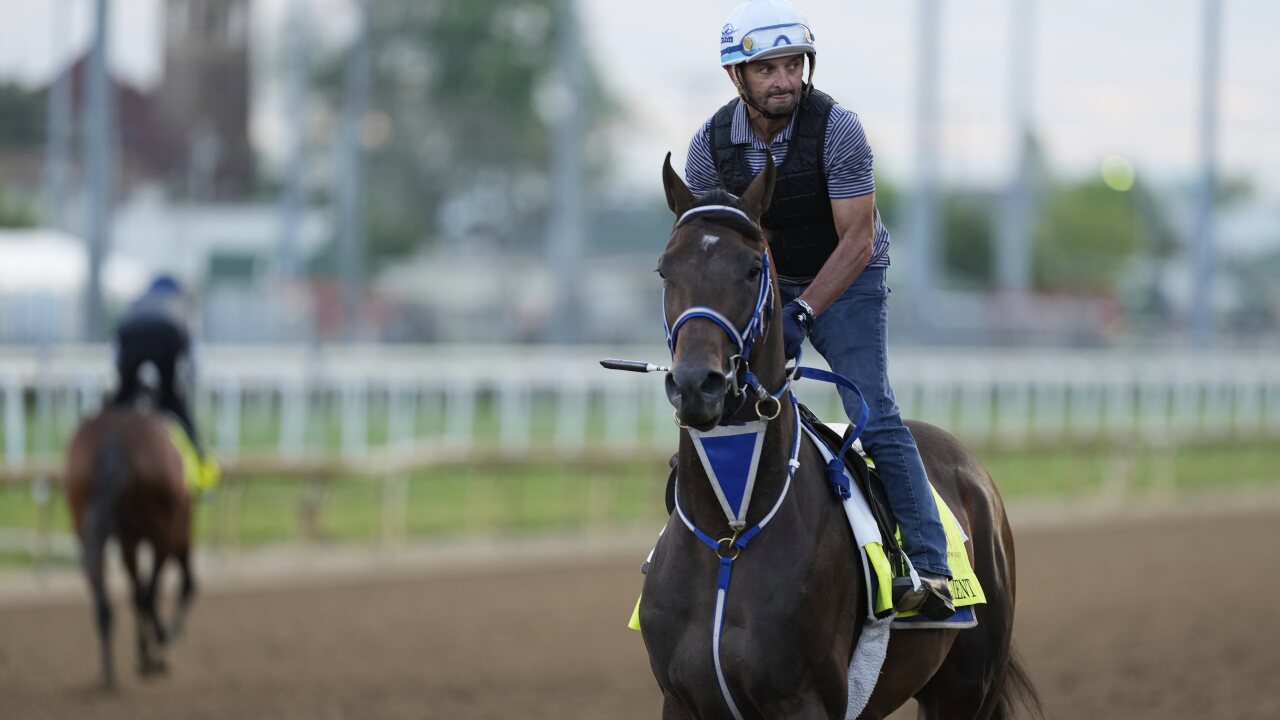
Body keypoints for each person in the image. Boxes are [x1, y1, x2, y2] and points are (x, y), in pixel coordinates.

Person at [683, 0, 954, 619]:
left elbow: (856, 240)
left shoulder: (838, 129)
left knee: (873, 411)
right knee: (716, 401)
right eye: (768, 69)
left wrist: (802, 313)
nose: (785, 80)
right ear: (738, 77)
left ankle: (933, 568)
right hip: (769, 279)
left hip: (849, 275)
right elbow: (712, 247)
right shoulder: (709, 145)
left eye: (793, 65)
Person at [112, 275, 215, 483]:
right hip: (168, 334)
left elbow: (115, 352)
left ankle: (105, 449)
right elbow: (192, 355)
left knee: (119, 403)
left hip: (130, 334)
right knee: (172, 401)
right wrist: (185, 384)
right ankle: (202, 465)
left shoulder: (137, 302)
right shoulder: (182, 304)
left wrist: (125, 386)